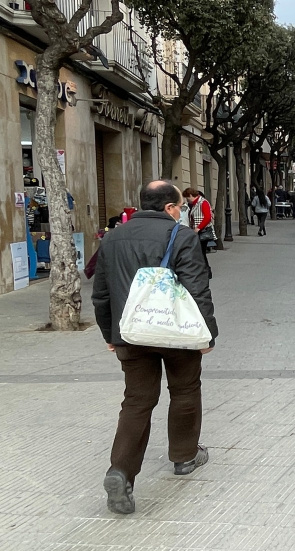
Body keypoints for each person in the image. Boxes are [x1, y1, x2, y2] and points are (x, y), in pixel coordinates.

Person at [92, 180, 218, 515]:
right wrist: (208, 334)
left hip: (131, 334)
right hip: (176, 333)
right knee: (185, 389)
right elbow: (197, 289)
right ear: (169, 208)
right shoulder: (182, 236)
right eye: (180, 207)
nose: (182, 212)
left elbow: (101, 292)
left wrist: (109, 333)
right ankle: (184, 456)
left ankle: (120, 471)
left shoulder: (113, 237)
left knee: (136, 400)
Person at [183, 188, 213, 278]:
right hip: (199, 231)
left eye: (187, 197)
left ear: (191, 196)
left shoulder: (202, 202)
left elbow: (207, 217)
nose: (187, 200)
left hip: (202, 231)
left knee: (201, 253)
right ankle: (204, 271)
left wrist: (198, 228)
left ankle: (206, 271)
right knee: (200, 253)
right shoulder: (195, 203)